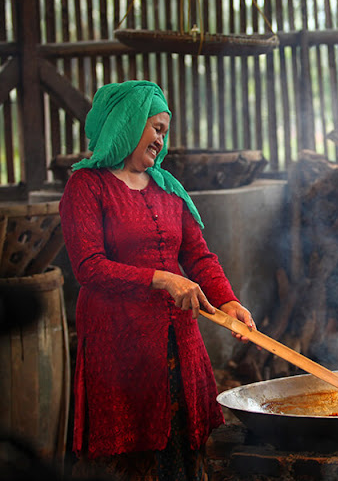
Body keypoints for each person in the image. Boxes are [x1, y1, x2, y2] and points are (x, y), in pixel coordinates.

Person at [59, 80, 255, 480]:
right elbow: (89, 267)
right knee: (133, 461)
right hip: (119, 346)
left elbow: (198, 256)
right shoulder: (86, 186)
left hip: (179, 344)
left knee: (184, 454)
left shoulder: (169, 189)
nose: (162, 141)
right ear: (128, 124)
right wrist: (162, 280)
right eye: (157, 129)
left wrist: (229, 301)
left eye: (165, 131)